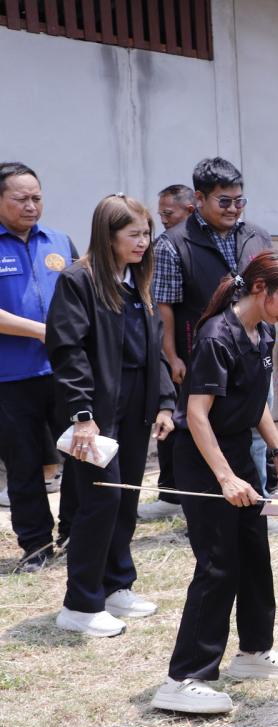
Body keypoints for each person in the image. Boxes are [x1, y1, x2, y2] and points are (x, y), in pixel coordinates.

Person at [151, 251, 278, 715]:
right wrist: (225, 478)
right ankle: (184, 677)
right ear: (260, 288)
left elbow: (254, 399)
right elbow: (196, 416)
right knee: (218, 565)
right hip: (205, 459)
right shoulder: (217, 336)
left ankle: (254, 652)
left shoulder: (264, 332)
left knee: (254, 553)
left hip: (238, 452)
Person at [46, 194, 177, 636]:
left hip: (136, 409)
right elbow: (68, 352)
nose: (143, 243)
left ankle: (116, 583)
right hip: (98, 413)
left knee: (124, 498)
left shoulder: (136, 281)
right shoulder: (78, 281)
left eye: (147, 234)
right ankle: (80, 604)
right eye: (134, 235)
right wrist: (82, 415)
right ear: (108, 235)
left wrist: (163, 401)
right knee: (98, 501)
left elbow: (154, 349)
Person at [142, 157, 273, 524]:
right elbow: (164, 308)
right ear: (199, 199)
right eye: (224, 201)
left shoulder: (256, 236)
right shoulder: (174, 243)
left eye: (239, 200)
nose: (234, 209)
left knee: (255, 431)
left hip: (251, 351)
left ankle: (255, 503)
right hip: (203, 358)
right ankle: (205, 510)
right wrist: (173, 357)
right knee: (202, 428)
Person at [0, 162, 80, 572]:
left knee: (81, 453)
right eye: (20, 199)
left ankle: (74, 532)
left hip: (65, 373)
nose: (31, 206)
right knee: (25, 463)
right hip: (10, 378)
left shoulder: (60, 241)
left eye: (37, 197)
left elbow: (84, 294)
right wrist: (43, 331)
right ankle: (35, 545)